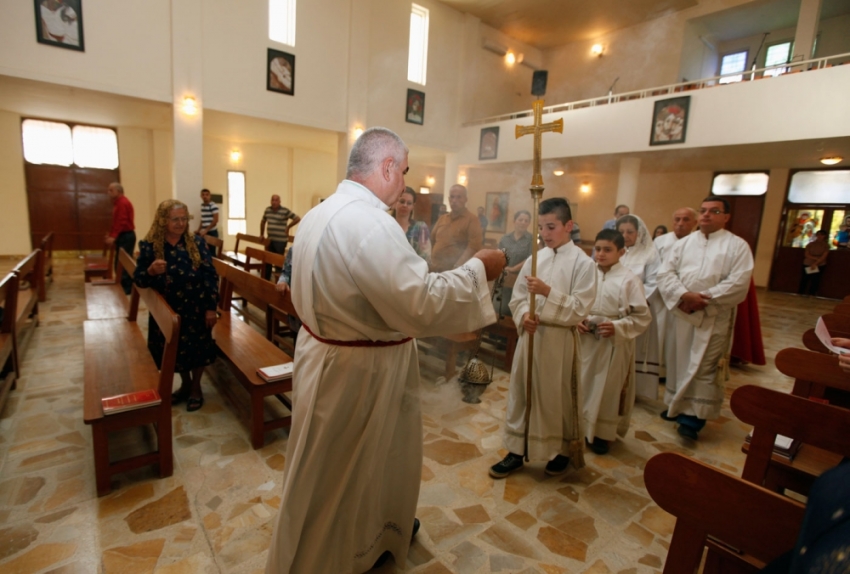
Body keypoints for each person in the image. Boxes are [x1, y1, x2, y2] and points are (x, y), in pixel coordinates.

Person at [265, 127, 506, 573]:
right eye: (404, 171)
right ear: (388, 167)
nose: (403, 183)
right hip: (359, 371)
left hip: (329, 355)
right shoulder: (370, 221)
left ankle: (372, 533)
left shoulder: (322, 212)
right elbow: (420, 303)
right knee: (345, 471)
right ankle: (331, 556)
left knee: (350, 465)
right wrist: (479, 270)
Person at [489, 197, 597, 479]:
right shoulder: (536, 259)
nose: (545, 233)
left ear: (568, 225)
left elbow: (580, 308)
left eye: (551, 226)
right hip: (531, 338)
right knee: (522, 394)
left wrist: (549, 292)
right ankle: (515, 451)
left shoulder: (584, 264)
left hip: (558, 342)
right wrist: (524, 315)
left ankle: (560, 450)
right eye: (542, 227)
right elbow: (520, 298)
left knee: (554, 397)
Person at [657, 196, 753, 440]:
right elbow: (665, 273)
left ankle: (693, 417)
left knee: (705, 366)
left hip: (714, 317)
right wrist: (684, 295)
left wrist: (703, 300)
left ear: (726, 217)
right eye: (703, 211)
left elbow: (739, 282)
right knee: (679, 360)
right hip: (683, 314)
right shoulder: (684, 244)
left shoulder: (737, 246)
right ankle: (676, 405)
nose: (707, 215)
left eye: (714, 211)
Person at [134, 200, 219, 412]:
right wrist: (151, 271)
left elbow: (210, 276)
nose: (181, 223)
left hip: (196, 308)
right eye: (175, 219)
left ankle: (196, 388)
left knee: (197, 349)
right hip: (167, 311)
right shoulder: (151, 245)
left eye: (184, 219)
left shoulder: (196, 243)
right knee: (176, 351)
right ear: (163, 220)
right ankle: (186, 384)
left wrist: (210, 307)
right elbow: (139, 280)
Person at [579, 229, 651, 455]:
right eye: (597, 249)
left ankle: (602, 433)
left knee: (607, 389)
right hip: (585, 342)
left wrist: (617, 327)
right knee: (582, 384)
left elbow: (642, 316)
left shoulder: (629, 279)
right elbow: (574, 302)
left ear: (622, 251)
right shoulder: (585, 273)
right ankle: (579, 427)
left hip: (613, 345)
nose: (600, 254)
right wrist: (577, 320)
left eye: (607, 250)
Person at [617, 214, 662, 401]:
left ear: (639, 233)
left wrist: (636, 305)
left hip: (638, 312)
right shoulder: (615, 251)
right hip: (616, 312)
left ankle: (634, 391)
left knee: (635, 351)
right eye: (621, 232)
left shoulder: (649, 254)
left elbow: (654, 282)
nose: (625, 236)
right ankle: (616, 387)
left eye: (630, 232)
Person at [653, 208, 698, 377]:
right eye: (677, 219)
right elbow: (654, 268)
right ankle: (658, 370)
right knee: (660, 331)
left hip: (686, 297)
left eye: (686, 220)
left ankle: (675, 372)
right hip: (661, 295)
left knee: (679, 336)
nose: (680, 224)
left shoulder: (698, 244)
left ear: (695, 223)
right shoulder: (660, 241)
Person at [429, 184, 483, 272]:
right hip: (435, 270)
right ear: (449, 199)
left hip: (455, 273)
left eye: (459, 197)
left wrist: (457, 268)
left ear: (466, 199)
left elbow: (473, 247)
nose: (454, 200)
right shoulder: (442, 218)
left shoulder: (472, 220)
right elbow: (432, 240)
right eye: (452, 197)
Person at [496, 210, 533, 317]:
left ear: (529, 223)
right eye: (520, 220)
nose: (523, 222)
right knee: (499, 308)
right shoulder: (505, 238)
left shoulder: (531, 239)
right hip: (504, 278)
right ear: (514, 221)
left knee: (514, 311)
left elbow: (530, 259)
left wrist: (513, 268)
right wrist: (504, 267)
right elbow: (499, 254)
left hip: (521, 280)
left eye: (526, 221)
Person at [105, 182, 136, 295]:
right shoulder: (118, 203)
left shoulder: (123, 203)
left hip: (126, 235)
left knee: (123, 263)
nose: (108, 193)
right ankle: (122, 285)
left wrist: (113, 236)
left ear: (118, 191)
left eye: (111, 190)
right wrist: (111, 234)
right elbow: (116, 221)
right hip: (123, 235)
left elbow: (121, 221)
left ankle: (126, 288)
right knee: (119, 262)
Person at [392, 187, 431, 261]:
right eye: (402, 201)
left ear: (413, 206)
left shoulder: (420, 228)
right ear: (395, 202)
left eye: (409, 203)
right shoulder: (386, 226)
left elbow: (426, 257)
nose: (405, 205)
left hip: (413, 271)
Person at [798, 230, 829, 296]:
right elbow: (806, 254)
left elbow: (824, 256)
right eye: (818, 235)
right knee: (805, 278)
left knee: (816, 279)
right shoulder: (810, 244)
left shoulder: (826, 246)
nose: (820, 236)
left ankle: (812, 293)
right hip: (808, 262)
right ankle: (801, 292)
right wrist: (815, 259)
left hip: (820, 264)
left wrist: (816, 263)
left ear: (825, 236)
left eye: (822, 235)